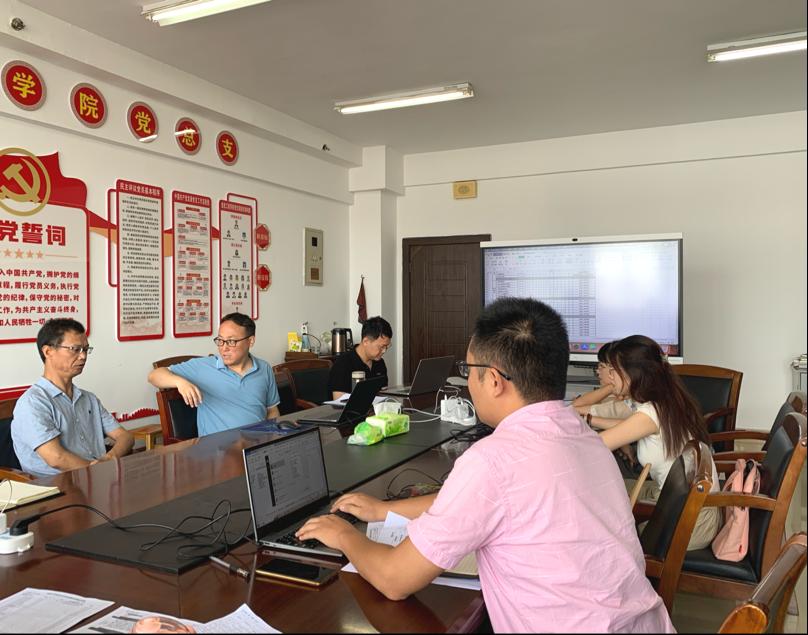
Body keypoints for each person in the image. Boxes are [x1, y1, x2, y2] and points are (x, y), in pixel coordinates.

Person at [297, 298, 674, 633]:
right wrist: (383, 510)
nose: (469, 380)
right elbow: (481, 501)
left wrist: (343, 535)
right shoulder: (581, 434)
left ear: (494, 380)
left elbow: (394, 579)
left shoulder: (493, 460)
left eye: (469, 369)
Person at [589, 334, 721, 550]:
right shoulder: (665, 400)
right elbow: (625, 428)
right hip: (682, 505)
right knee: (609, 488)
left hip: (689, 523)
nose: (609, 377)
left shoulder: (651, 413)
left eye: (613, 370)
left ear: (631, 374)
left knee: (599, 506)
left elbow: (592, 447)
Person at [11, 318, 134, 478]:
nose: (83, 356)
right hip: (56, 486)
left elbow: (125, 437)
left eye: (86, 349)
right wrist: (98, 471)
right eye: (75, 349)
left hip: (97, 478)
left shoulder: (88, 399)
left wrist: (109, 458)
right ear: (48, 351)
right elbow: (56, 458)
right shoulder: (33, 403)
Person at [147, 312, 280, 436]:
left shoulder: (264, 369)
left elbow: (272, 410)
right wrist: (180, 382)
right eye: (220, 340)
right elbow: (154, 376)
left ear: (250, 341)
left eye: (231, 341)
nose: (224, 348)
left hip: (257, 444)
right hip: (218, 448)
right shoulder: (204, 367)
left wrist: (273, 438)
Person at [328, 316, 391, 399]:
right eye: (381, 347)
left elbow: (383, 394)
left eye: (387, 346)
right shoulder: (343, 364)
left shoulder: (379, 363)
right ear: (366, 341)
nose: (384, 351)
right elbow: (339, 402)